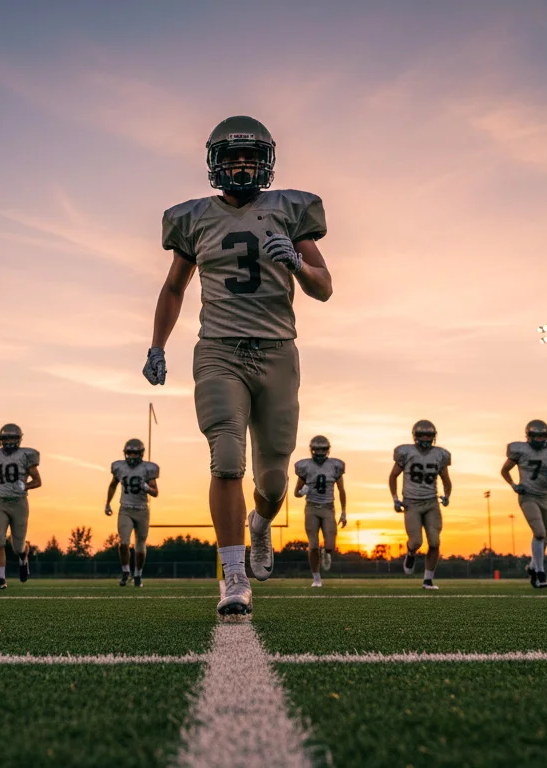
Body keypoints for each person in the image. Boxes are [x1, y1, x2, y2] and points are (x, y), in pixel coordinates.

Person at [141, 115, 334, 617]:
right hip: (219, 349)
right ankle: (233, 578)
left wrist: (294, 258)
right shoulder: (194, 217)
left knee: (271, 482)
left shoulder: (291, 210)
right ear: (215, 164)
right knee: (226, 456)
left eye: (250, 158)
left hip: (277, 352)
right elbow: (174, 287)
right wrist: (157, 345)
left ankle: (261, 524)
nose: (242, 167)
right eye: (232, 158)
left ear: (266, 163)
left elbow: (324, 287)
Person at [500, 419, 547, 589]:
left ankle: (531, 567)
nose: (538, 439)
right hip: (528, 496)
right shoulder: (520, 451)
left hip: (545, 497)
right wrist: (514, 485)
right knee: (539, 532)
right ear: (529, 436)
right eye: (535, 436)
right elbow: (505, 470)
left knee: (546, 536)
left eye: (542, 436)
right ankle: (540, 573)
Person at [388, 420, 452, 590]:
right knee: (416, 541)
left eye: (429, 435)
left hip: (431, 502)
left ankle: (428, 580)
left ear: (434, 437)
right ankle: (410, 553)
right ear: (415, 436)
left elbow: (446, 480)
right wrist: (395, 498)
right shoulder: (406, 452)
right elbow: (393, 476)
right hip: (412, 503)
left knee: (434, 542)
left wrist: (447, 496)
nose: (426, 438)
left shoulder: (440, 455)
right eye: (422, 435)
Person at [0, 423, 42, 589]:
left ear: (19, 439)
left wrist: (25, 486)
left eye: (12, 438)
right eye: (6, 438)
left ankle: (23, 558)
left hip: (19, 503)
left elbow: (38, 481)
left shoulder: (26, 455)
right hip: (0, 501)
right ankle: (1, 580)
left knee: (18, 546)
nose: (9, 441)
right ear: (0, 440)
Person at [105, 438, 160, 587]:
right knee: (123, 543)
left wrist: (147, 488)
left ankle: (138, 575)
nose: (132, 456)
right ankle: (125, 572)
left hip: (142, 510)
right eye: (129, 452)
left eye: (135, 453)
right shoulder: (120, 467)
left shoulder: (147, 469)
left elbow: (155, 493)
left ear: (141, 454)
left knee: (140, 546)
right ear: (125, 453)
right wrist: (108, 503)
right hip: (125, 508)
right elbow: (112, 486)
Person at [293, 435, 346, 587]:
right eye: (317, 449)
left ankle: (326, 553)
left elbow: (341, 490)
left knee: (330, 546)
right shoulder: (306, 466)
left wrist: (343, 512)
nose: (320, 452)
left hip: (328, 508)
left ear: (328, 450)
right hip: (311, 507)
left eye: (323, 449)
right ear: (312, 450)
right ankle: (316, 578)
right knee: (313, 544)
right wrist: (302, 491)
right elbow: (296, 492)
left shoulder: (335, 466)